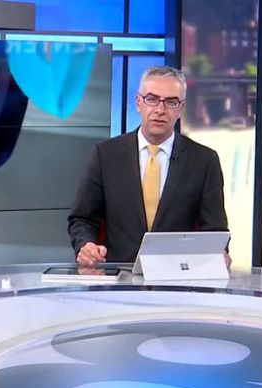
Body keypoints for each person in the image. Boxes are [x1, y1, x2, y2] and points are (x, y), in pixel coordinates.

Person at [68, 65, 229, 267]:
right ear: (138, 103)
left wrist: (217, 254)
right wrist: (86, 245)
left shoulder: (204, 160)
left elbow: (215, 230)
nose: (160, 110)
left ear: (181, 109)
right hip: (118, 280)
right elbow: (82, 218)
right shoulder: (105, 155)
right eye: (152, 99)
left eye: (171, 102)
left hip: (177, 280)